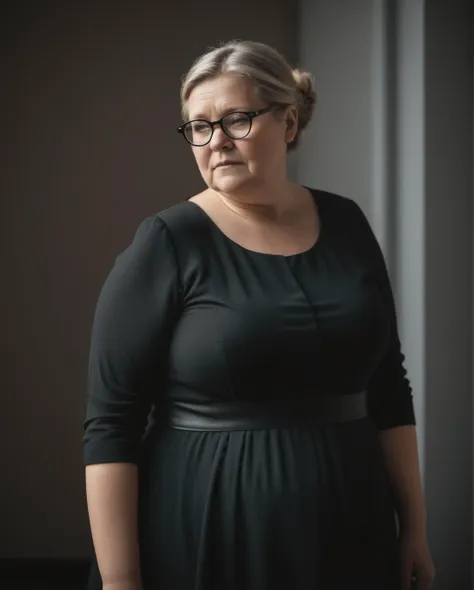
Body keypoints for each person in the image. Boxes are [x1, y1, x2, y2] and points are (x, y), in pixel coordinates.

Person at [83, 40, 435, 590]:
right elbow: (111, 424)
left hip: (352, 517)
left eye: (237, 120)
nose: (216, 141)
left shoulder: (347, 223)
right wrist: (120, 582)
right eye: (198, 127)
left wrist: (414, 526)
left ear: (289, 121)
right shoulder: (168, 242)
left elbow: (390, 384)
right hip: (207, 518)